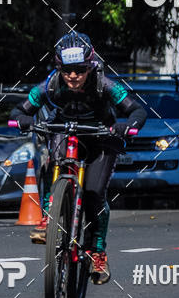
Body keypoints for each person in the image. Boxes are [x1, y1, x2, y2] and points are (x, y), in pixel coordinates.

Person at [10, 33, 147, 284]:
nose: (73, 76)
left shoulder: (104, 84)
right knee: (54, 158)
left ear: (91, 66)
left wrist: (127, 126)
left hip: (101, 138)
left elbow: (137, 109)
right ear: (58, 68)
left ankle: (98, 251)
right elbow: (20, 109)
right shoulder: (50, 85)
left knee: (95, 194)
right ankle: (49, 218)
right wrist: (23, 120)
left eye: (80, 70)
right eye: (67, 70)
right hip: (65, 131)